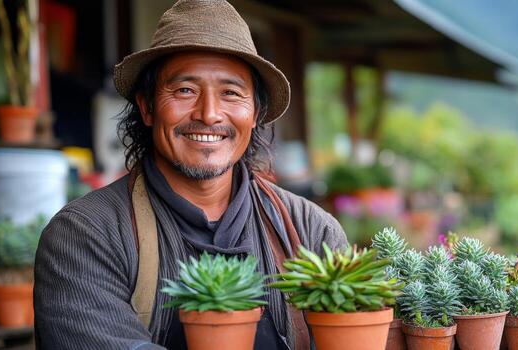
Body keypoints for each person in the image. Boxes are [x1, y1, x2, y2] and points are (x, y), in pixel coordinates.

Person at [33, 1, 347, 349]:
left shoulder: (310, 231)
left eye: (230, 92)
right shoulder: (86, 235)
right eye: (185, 90)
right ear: (147, 107)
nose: (209, 114)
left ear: (256, 113)